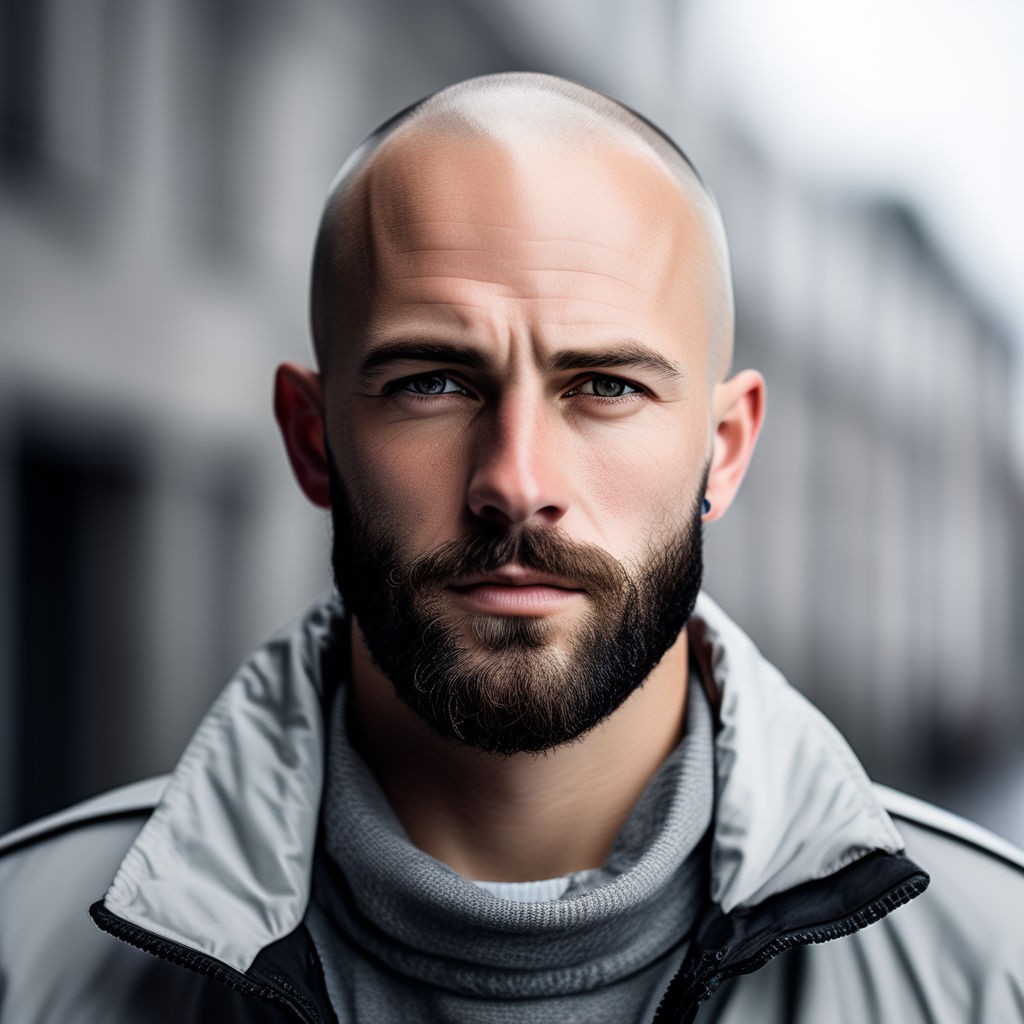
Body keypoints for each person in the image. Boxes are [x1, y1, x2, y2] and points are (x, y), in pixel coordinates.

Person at [1, 72, 1021, 1024]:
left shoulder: (988, 969)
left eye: (606, 386)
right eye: (432, 382)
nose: (516, 482)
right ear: (313, 440)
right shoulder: (25, 960)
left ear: (723, 451)